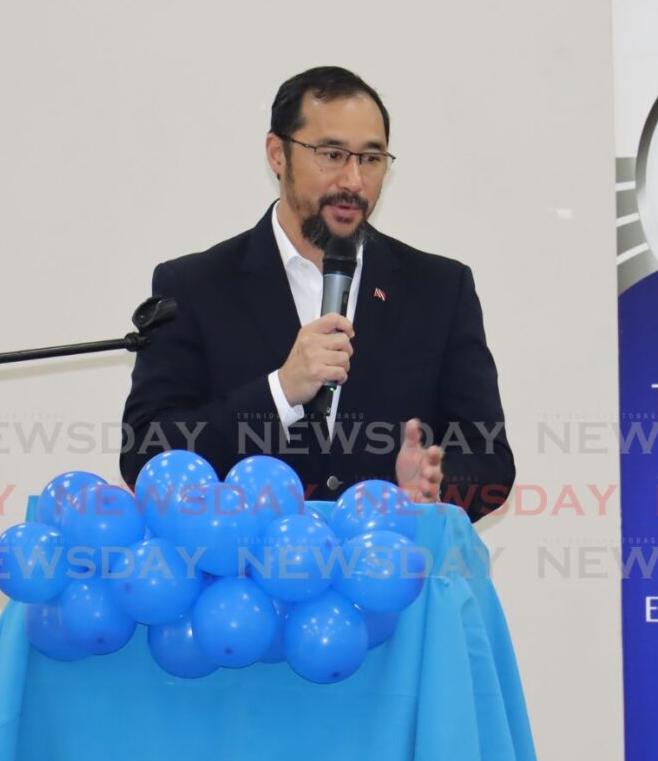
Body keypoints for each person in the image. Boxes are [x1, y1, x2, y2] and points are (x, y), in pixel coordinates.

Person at [120, 66, 514, 521]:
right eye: (331, 154)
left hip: (386, 580)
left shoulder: (439, 289)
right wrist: (280, 391)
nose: (353, 181)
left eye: (371, 159)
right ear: (278, 154)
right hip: (244, 582)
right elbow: (146, 457)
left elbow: (491, 461)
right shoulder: (195, 286)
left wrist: (431, 488)